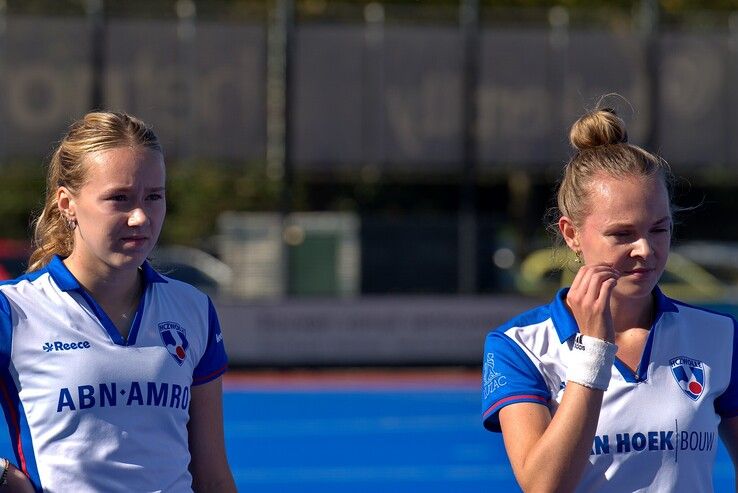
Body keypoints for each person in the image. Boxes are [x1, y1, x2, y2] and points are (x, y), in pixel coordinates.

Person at [481, 106, 738, 491]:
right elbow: (543, 486)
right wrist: (595, 350)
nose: (645, 250)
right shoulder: (520, 347)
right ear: (571, 235)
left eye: (659, 229)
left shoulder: (720, 336)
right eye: (622, 234)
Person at [0, 112, 237, 491]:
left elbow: (213, 475)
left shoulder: (192, 310)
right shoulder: (14, 310)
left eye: (154, 196)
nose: (140, 216)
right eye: (119, 198)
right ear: (67, 204)